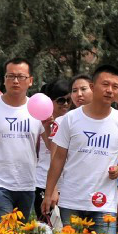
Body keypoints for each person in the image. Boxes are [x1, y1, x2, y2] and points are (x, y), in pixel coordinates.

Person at [42, 65, 118, 234]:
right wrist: (49, 193)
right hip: (72, 202)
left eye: (115, 87)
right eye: (105, 85)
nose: (110, 90)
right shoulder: (71, 119)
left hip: (105, 204)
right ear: (93, 87)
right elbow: (58, 159)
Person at [0, 58, 44, 225]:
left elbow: (51, 147)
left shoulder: (37, 107)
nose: (16, 81)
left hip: (27, 184)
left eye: (21, 77)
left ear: (30, 80)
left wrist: (48, 125)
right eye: (10, 76)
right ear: (4, 80)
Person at [33, 80, 71, 226]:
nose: (66, 104)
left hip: (66, 185)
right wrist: (46, 127)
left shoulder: (70, 120)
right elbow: (51, 148)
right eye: (61, 100)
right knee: (47, 231)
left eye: (68, 100)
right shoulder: (39, 120)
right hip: (44, 181)